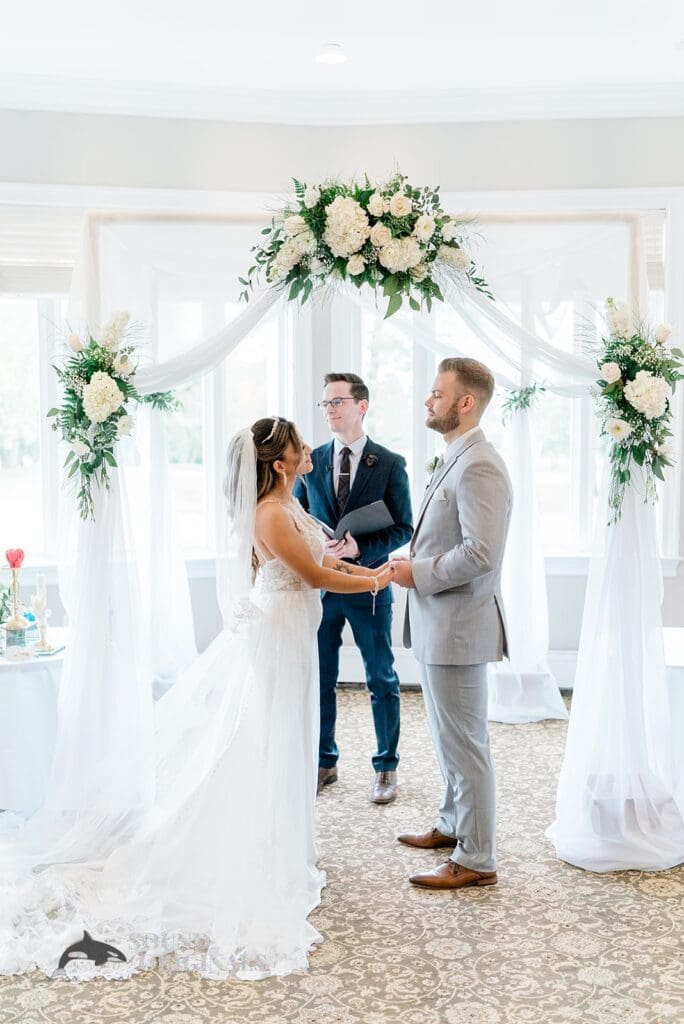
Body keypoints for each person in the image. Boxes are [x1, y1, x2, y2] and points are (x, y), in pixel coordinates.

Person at [0, 417, 394, 980]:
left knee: (286, 735)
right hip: (279, 635)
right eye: (297, 446)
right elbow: (310, 574)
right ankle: (251, 848)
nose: (308, 448)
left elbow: (324, 560)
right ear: (278, 463)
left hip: (292, 634)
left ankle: (282, 843)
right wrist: (378, 580)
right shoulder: (270, 513)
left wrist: (355, 566)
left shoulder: (290, 503)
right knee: (267, 737)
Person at [391, 358, 512, 890]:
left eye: (437, 394)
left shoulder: (480, 463)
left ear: (466, 403)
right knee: (447, 739)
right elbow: (443, 537)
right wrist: (407, 560)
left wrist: (414, 573)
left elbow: (480, 553)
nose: (428, 401)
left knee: (465, 744)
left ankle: (477, 858)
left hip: (460, 626)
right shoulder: (454, 456)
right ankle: (451, 824)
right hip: (440, 622)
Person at [294, 373, 413, 804]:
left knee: (381, 678)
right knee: (321, 678)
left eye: (337, 401)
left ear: (362, 405)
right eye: (324, 403)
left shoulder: (390, 463)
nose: (329, 409)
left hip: (370, 588)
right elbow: (296, 515)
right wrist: (317, 543)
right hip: (321, 589)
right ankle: (324, 761)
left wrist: (361, 546)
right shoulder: (311, 460)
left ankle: (386, 767)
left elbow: (404, 527)